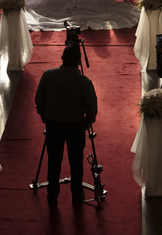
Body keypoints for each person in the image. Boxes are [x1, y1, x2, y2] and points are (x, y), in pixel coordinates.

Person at [35, 44, 98, 207]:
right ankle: (77, 194)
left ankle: (52, 194)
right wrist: (87, 123)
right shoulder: (84, 81)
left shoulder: (48, 75)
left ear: (62, 58)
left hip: (53, 125)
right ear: (79, 61)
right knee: (76, 161)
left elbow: (39, 98)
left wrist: (44, 116)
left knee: (53, 161)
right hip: (75, 126)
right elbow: (92, 106)